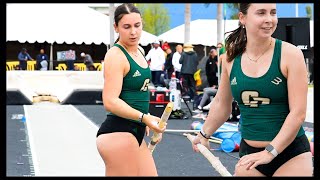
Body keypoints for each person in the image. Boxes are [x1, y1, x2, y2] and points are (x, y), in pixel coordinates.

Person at [190, 3, 312, 177]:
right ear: (242, 18)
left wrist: (269, 152)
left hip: (290, 154)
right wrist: (204, 133)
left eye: (273, 13)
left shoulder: (290, 54)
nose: (269, 19)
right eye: (261, 13)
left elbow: (298, 113)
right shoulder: (230, 58)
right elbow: (221, 104)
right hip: (250, 157)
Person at [96, 3, 166, 176]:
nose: (133, 32)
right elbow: (110, 101)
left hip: (134, 131)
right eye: (126, 27)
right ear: (116, 28)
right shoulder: (115, 55)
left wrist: (145, 120)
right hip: (118, 134)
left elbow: (138, 92)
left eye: (137, 25)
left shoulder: (140, 51)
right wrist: (143, 117)